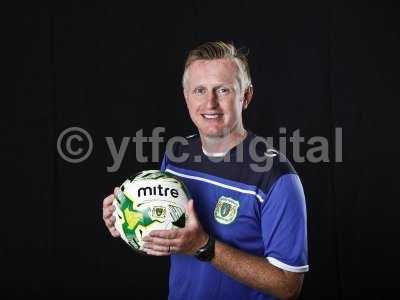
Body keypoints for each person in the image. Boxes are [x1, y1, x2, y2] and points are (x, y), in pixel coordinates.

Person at [102, 41, 308, 299]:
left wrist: (204, 246)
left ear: (246, 96)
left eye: (223, 90)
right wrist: (126, 218)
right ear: (186, 96)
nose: (210, 103)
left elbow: (288, 285)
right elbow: (169, 235)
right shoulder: (177, 156)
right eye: (199, 90)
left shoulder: (276, 177)